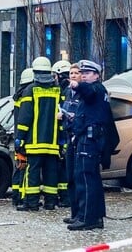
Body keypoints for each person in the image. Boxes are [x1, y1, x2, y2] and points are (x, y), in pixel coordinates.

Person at [67, 60, 119, 231]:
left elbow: (88, 91)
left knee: (85, 180)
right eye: (82, 73)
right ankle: (93, 216)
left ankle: (86, 218)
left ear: (97, 75)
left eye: (87, 73)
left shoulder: (95, 88)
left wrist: (77, 85)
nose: (83, 75)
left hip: (89, 141)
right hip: (88, 139)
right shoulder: (96, 91)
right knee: (92, 180)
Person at [15, 57, 61, 211]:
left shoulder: (30, 90)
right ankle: (50, 203)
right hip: (53, 142)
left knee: (32, 172)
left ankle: (32, 203)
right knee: (51, 173)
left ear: (34, 71)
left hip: (34, 142)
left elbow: (25, 118)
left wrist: (19, 138)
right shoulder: (57, 90)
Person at [59, 63, 82, 223]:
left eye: (76, 73)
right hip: (69, 137)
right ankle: (74, 214)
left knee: (79, 178)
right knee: (71, 179)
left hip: (79, 139)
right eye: (71, 73)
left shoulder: (84, 93)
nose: (73, 75)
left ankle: (81, 214)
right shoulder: (68, 92)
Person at [11, 68, 34, 207]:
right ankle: (21, 197)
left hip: (19, 137)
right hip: (25, 138)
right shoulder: (26, 96)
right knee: (24, 169)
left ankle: (16, 196)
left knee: (19, 168)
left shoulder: (18, 96)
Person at [52, 60, 72, 208]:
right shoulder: (63, 90)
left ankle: (66, 198)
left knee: (65, 169)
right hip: (63, 137)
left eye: (55, 76)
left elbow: (69, 113)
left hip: (66, 137)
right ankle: (64, 198)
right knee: (62, 168)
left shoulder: (67, 90)